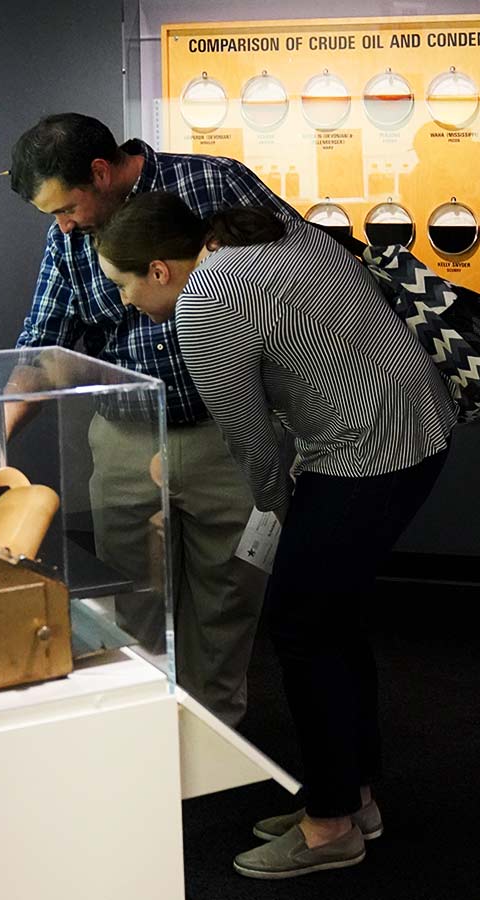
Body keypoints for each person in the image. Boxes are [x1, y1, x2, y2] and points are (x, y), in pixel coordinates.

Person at [95, 191, 458, 880]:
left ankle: (329, 828)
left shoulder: (204, 300)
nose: (123, 301)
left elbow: (254, 446)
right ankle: (353, 796)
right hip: (418, 426)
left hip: (366, 453)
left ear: (161, 270)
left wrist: (280, 513)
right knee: (333, 623)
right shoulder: (271, 235)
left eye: (124, 283)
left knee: (302, 628)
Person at [7, 112, 300, 727]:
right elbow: (43, 345)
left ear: (100, 171)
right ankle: (143, 729)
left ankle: (215, 735)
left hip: (230, 434)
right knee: (133, 595)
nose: (63, 226)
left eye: (66, 208)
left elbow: (305, 272)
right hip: (126, 438)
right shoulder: (67, 237)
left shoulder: (213, 184)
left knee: (228, 595)